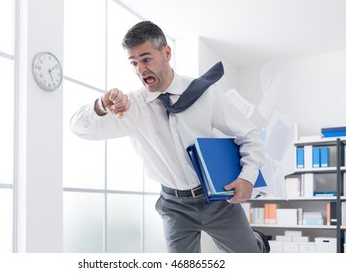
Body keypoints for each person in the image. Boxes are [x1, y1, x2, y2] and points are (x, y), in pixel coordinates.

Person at [70, 20, 270, 253]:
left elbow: (249, 134)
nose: (140, 70)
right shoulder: (131, 108)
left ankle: (256, 241)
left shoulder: (205, 94)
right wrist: (101, 105)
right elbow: (79, 128)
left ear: (166, 52)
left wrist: (247, 177)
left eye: (146, 59)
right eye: (133, 63)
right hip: (174, 206)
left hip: (216, 200)